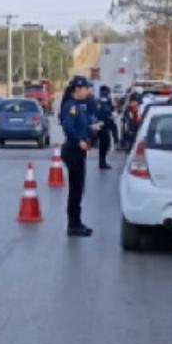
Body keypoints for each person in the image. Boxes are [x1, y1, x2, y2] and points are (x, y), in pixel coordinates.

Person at [59, 76, 96, 237]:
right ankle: (73, 225)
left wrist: (91, 128)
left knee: (79, 188)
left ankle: (77, 222)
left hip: (78, 150)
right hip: (73, 151)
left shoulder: (79, 106)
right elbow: (68, 127)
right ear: (77, 89)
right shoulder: (71, 106)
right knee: (75, 189)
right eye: (85, 88)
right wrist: (79, 141)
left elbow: (80, 126)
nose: (87, 91)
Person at [94, 86, 118, 169]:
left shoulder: (97, 100)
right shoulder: (106, 99)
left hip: (99, 124)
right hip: (105, 124)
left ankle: (102, 162)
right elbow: (110, 111)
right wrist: (112, 114)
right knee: (105, 144)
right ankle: (102, 162)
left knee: (103, 144)